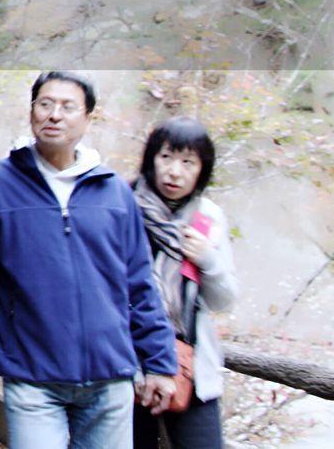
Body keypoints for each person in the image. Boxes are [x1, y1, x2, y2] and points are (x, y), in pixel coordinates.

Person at [0, 71, 179, 449]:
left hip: (109, 377)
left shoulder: (114, 192)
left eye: (68, 107)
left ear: (88, 118)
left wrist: (160, 362)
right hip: (32, 377)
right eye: (45, 104)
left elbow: (140, 285)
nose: (54, 115)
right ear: (31, 112)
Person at [132, 117, 238, 448]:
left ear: (201, 170)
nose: (174, 171)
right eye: (166, 158)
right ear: (151, 159)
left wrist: (208, 258)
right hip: (127, 363)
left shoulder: (207, 218)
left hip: (190, 368)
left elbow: (223, 302)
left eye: (187, 162)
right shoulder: (122, 206)